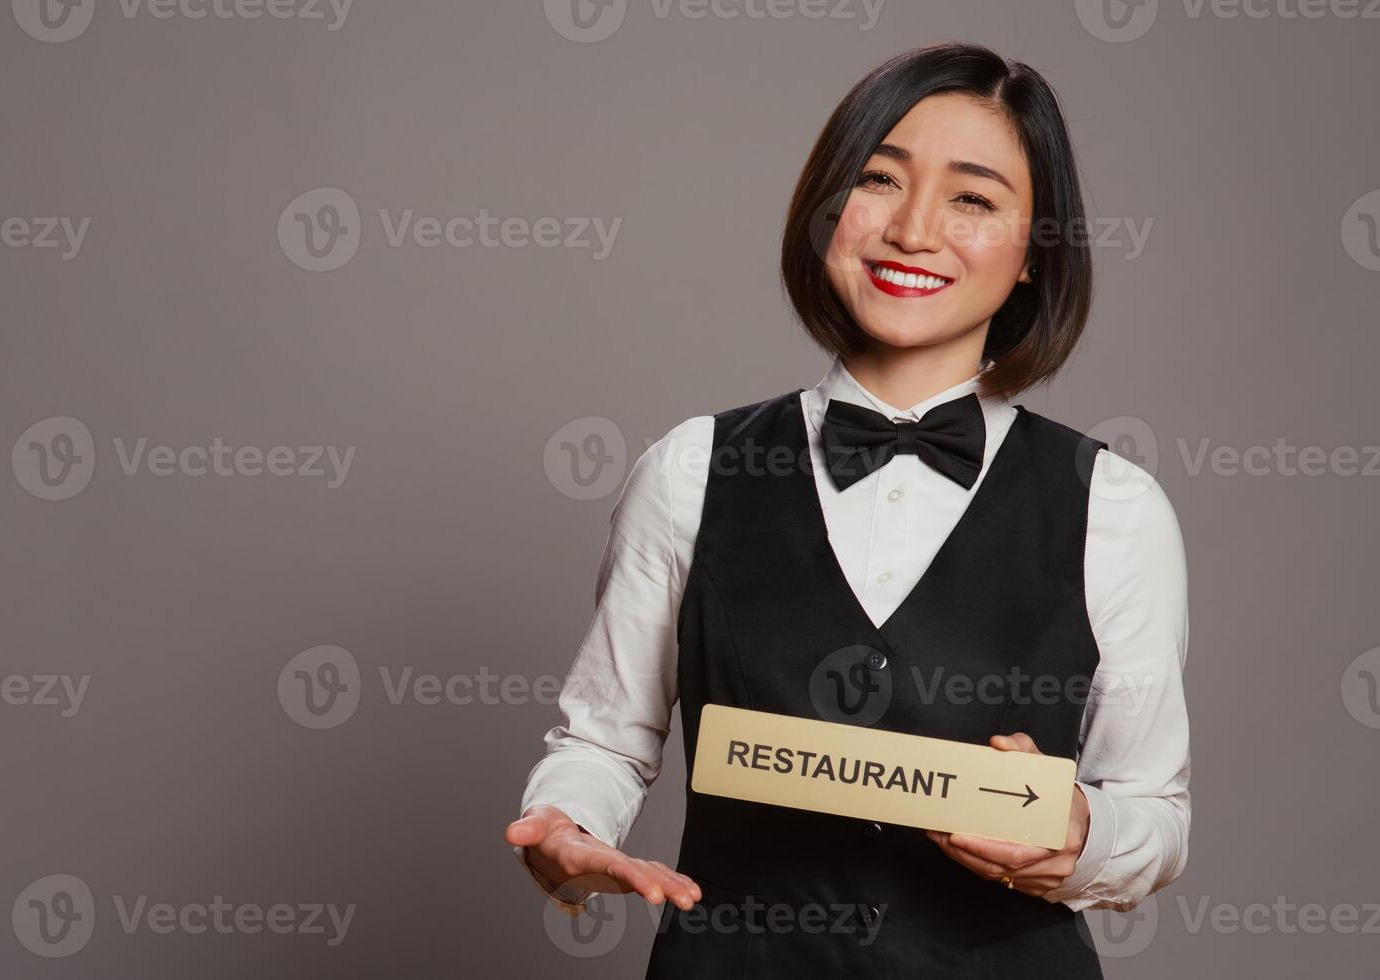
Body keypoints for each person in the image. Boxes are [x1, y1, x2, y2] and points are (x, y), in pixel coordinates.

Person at [504, 41, 1191, 977]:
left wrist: (1081, 833)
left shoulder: (1114, 506)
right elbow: (604, 740)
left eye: (973, 198)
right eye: (880, 179)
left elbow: (1154, 814)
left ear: (1036, 254)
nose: (913, 229)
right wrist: (563, 833)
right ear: (827, 210)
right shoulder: (688, 470)